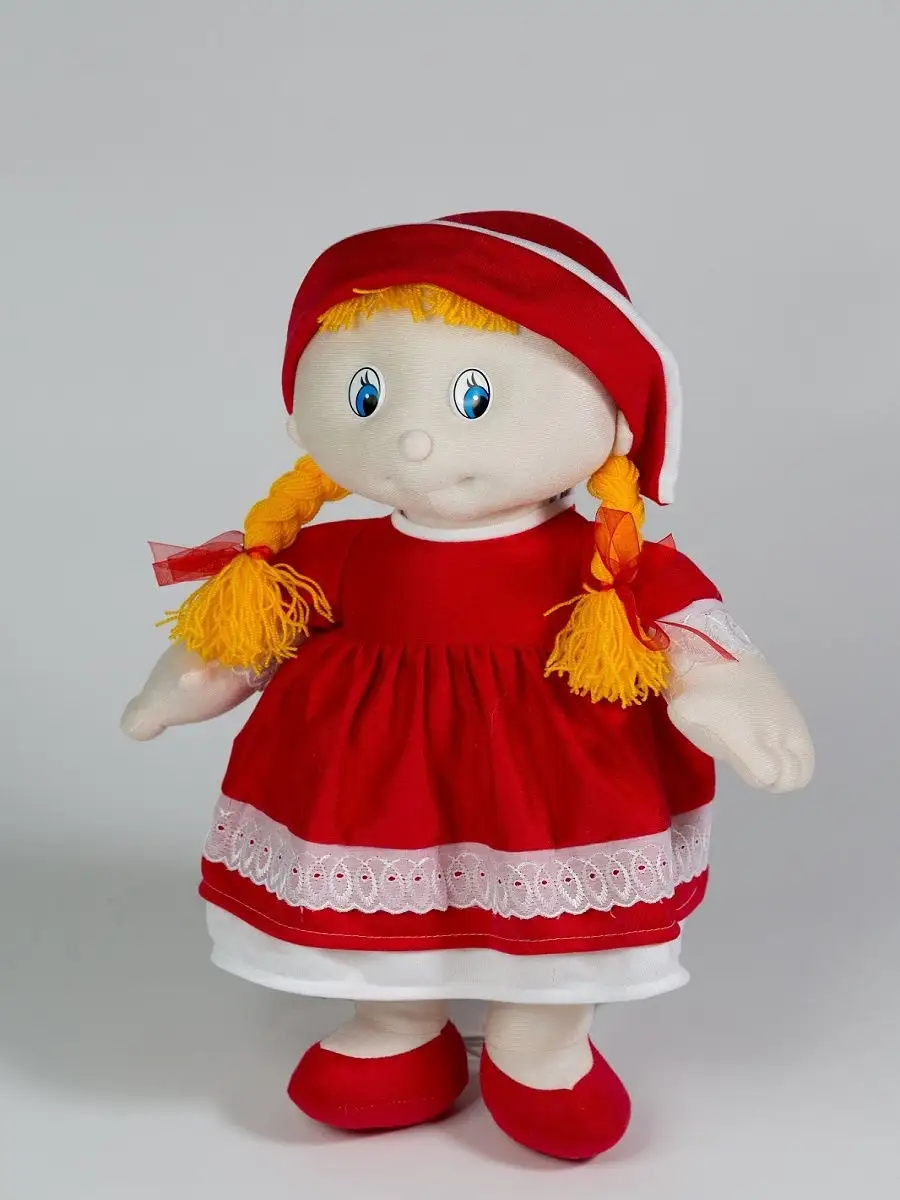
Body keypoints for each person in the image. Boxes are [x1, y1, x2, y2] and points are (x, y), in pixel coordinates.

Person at [121, 211, 814, 1161]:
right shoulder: (338, 553)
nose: (413, 440)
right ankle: (397, 1027)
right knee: (384, 912)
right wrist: (183, 684)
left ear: (615, 418)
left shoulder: (604, 566)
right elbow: (243, 631)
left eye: (473, 397)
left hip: (551, 787)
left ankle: (540, 1042)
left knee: (552, 916)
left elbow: (689, 632)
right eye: (368, 394)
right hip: (376, 789)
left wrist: (729, 695)